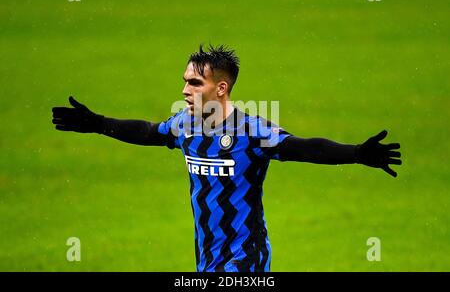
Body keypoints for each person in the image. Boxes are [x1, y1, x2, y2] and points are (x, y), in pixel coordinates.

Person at [51, 44, 401, 272]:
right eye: (185, 81)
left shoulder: (251, 131)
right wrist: (97, 124)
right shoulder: (184, 125)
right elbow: (147, 132)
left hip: (245, 259)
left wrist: (356, 153)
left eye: (195, 83)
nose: (185, 90)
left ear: (221, 88)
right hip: (206, 259)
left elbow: (304, 148)